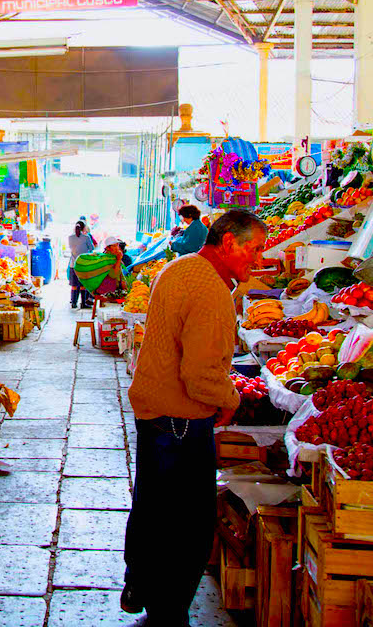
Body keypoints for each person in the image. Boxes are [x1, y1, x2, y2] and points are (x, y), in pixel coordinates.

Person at [122, 209, 267, 626]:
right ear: (228, 243)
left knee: (152, 508)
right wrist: (230, 398)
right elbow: (201, 376)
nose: (257, 259)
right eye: (254, 249)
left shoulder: (180, 266)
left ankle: (141, 586)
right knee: (185, 525)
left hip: (155, 412)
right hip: (182, 422)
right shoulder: (210, 289)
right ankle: (169, 613)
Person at [68, 221, 95, 308]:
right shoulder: (86, 237)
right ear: (84, 228)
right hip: (83, 265)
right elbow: (91, 248)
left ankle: (74, 303)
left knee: (74, 285)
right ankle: (83, 303)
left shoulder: (70, 237)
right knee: (83, 285)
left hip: (73, 264)